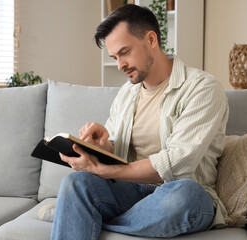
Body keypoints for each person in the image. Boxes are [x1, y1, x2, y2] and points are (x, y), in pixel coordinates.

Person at [50, 4, 229, 239]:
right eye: (115, 57)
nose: (119, 65)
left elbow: (176, 164)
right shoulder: (127, 93)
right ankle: (91, 214)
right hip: (131, 191)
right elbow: (116, 145)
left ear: (151, 39)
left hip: (180, 193)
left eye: (125, 52)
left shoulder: (202, 88)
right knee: (75, 183)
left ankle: (90, 218)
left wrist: (106, 170)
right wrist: (104, 147)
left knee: (185, 195)